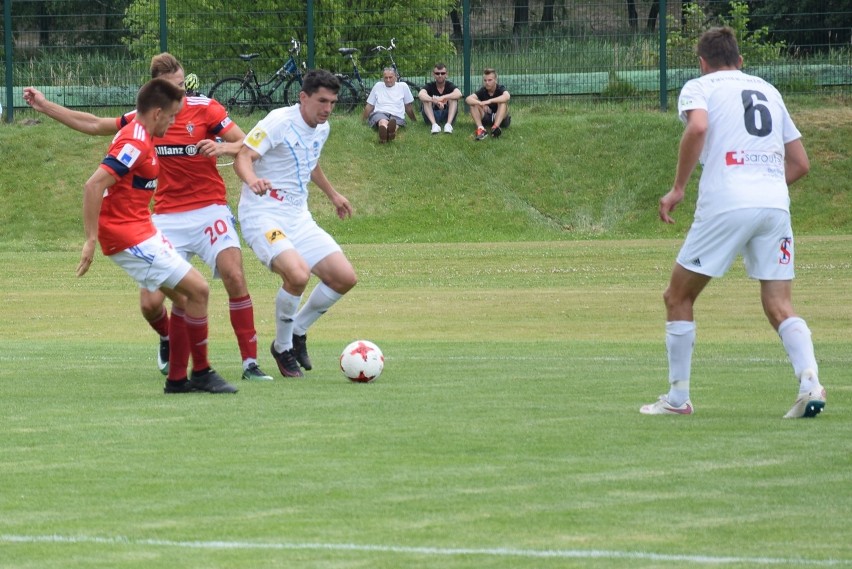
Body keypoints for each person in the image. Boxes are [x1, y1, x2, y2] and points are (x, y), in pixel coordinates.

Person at [23, 53, 273, 384]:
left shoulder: (205, 109)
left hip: (207, 209)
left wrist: (224, 149)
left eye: (183, 86)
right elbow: (94, 129)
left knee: (228, 278)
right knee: (153, 303)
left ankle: (243, 364)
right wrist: (47, 106)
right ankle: (176, 352)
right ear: (157, 95)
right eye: (173, 90)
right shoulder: (142, 126)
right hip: (162, 217)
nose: (181, 97)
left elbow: (250, 140)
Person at [640, 27, 824, 419]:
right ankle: (811, 382)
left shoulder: (700, 86)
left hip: (726, 200)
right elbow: (801, 164)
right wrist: (764, 186)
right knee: (779, 303)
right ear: (741, 61)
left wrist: (677, 189)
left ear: (703, 63)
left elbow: (699, 127)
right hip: (776, 204)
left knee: (678, 296)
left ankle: (677, 399)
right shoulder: (770, 91)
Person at [79, 78, 235, 394]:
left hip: (142, 230)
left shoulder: (141, 133)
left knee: (183, 298)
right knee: (199, 290)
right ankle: (201, 372)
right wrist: (90, 240)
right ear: (157, 113)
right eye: (173, 116)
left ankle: (178, 379)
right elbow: (93, 186)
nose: (175, 122)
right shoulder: (135, 144)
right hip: (128, 238)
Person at [234, 70, 358, 378]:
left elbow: (310, 161)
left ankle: (297, 332)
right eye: (321, 101)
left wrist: (333, 195)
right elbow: (243, 156)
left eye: (332, 102)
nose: (327, 109)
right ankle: (283, 347)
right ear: (303, 97)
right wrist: (253, 181)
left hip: (298, 217)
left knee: (344, 277)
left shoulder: (322, 127)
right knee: (298, 274)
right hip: (262, 215)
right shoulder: (278, 121)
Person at [362, 67, 416, 143]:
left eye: (390, 77)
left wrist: (414, 120)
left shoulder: (403, 86)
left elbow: (408, 106)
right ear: (382, 78)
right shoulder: (378, 86)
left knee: (395, 122)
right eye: (386, 78)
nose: (388, 80)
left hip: (397, 114)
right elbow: (370, 105)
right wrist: (363, 120)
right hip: (380, 112)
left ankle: (388, 133)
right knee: (382, 121)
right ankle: (386, 132)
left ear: (396, 77)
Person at [466, 67, 511, 141]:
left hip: (502, 120)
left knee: (503, 102)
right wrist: (480, 103)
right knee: (473, 104)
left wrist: (489, 101)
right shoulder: (483, 90)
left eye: (490, 80)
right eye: (485, 80)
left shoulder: (500, 88)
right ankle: (481, 129)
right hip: (487, 117)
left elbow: (507, 96)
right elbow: (468, 99)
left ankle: (495, 128)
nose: (487, 82)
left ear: (495, 80)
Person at [417, 63, 462, 134]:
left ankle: (448, 125)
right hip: (432, 116)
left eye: (442, 73)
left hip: (446, 116)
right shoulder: (430, 85)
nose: (440, 75)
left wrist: (442, 97)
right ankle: (434, 125)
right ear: (433, 75)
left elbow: (459, 94)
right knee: (426, 100)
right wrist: (434, 101)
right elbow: (420, 94)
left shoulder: (449, 85)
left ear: (446, 74)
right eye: (437, 73)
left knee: (453, 98)